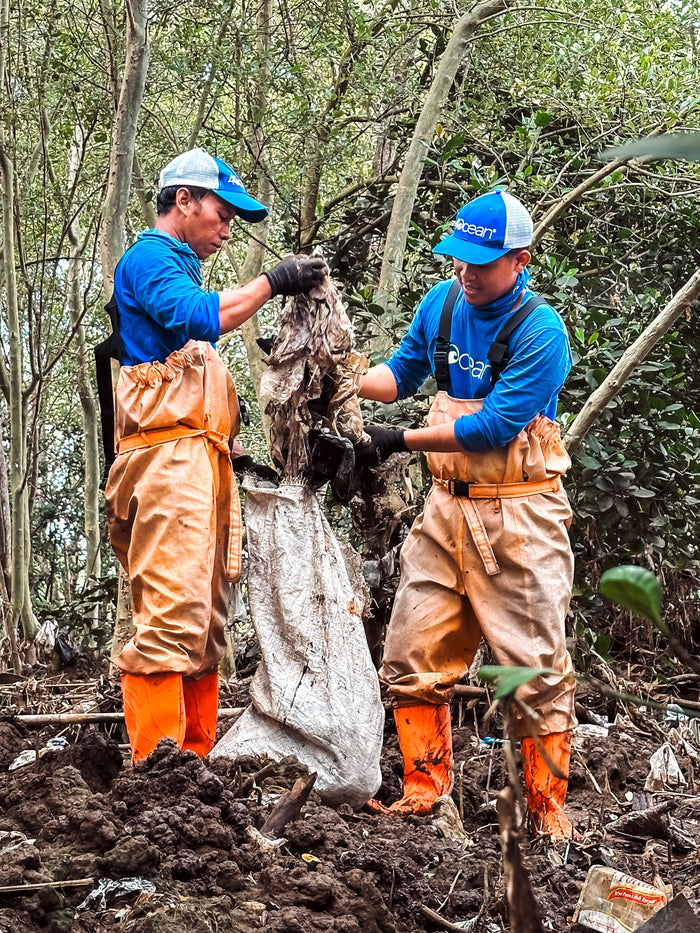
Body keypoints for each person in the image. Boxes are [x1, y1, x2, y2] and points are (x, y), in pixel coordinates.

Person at [356, 189, 576, 838]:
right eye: (458, 259)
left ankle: (547, 811)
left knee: (534, 671)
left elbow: (493, 426)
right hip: (445, 510)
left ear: (521, 261)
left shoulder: (542, 331)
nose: (466, 272)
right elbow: (398, 374)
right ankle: (426, 792)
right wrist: (340, 377)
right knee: (410, 650)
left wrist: (394, 439)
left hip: (521, 515)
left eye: (481, 262)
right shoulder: (444, 302)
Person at [104, 147, 327, 763]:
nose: (227, 230)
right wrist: (274, 281)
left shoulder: (180, 264)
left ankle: (193, 768)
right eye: (222, 214)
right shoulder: (150, 257)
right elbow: (198, 317)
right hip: (166, 462)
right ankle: (156, 768)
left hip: (201, 462)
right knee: (171, 616)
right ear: (184, 201)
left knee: (206, 624)